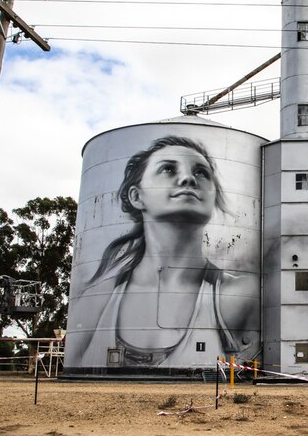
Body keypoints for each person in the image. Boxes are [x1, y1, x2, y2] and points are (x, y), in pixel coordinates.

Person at [67, 135, 258, 368]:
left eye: (201, 172)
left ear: (214, 195)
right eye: (168, 169)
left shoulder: (240, 295)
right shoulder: (97, 299)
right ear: (137, 196)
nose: (188, 178)